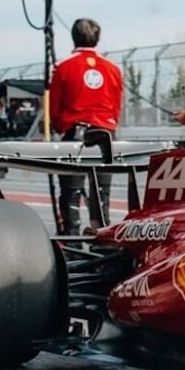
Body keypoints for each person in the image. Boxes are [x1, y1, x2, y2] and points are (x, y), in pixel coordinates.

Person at [48, 18, 124, 234]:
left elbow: (55, 109)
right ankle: (103, 244)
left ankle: (72, 244)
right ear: (97, 38)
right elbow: (116, 106)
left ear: (74, 37)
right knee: (102, 196)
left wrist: (60, 126)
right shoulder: (113, 68)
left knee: (71, 195)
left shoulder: (63, 67)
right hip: (106, 136)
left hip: (75, 136)